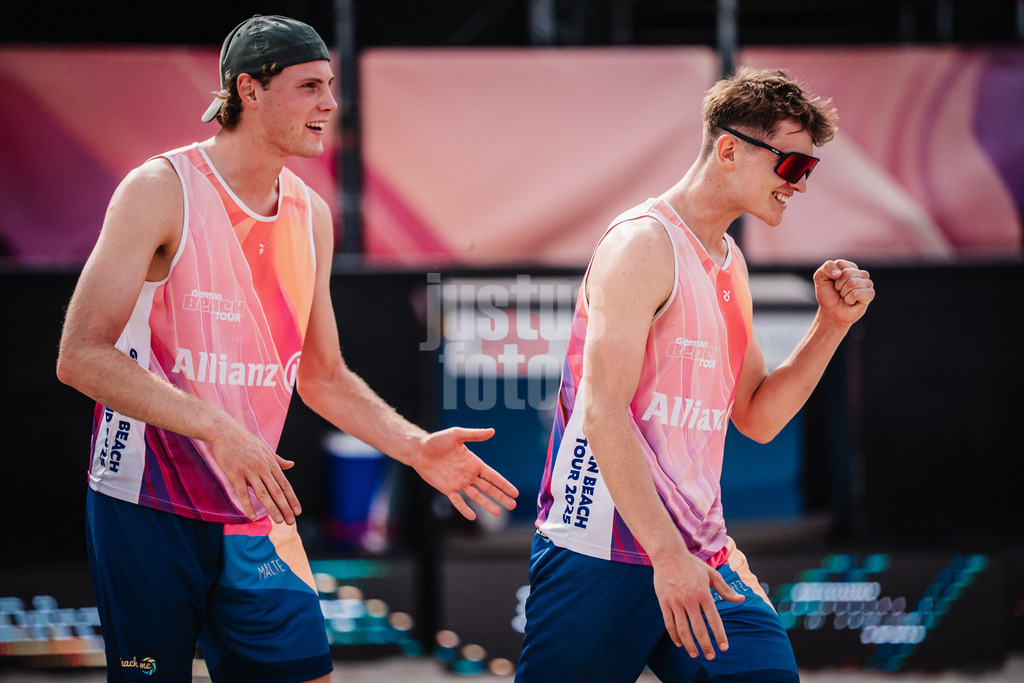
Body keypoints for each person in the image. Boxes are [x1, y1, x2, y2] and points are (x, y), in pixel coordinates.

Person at [56, 14, 518, 682]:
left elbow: (323, 376)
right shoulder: (159, 190)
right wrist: (217, 427)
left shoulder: (311, 215)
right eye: (309, 86)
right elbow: (80, 356)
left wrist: (414, 446)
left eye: (329, 85)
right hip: (146, 506)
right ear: (249, 89)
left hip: (253, 509)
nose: (330, 103)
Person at [515, 67, 874, 682]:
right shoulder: (642, 245)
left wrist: (832, 325)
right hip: (600, 549)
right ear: (729, 150)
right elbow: (602, 412)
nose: (799, 184)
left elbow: (757, 417)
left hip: (700, 556)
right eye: (791, 164)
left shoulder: (730, 263)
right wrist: (666, 555)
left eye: (809, 170)